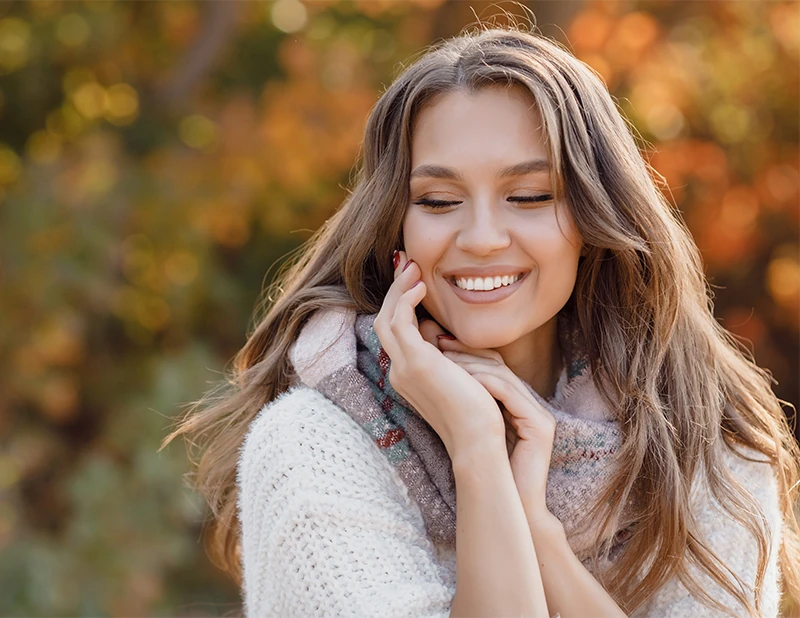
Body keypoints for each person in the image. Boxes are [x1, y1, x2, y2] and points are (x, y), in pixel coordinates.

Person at [163, 23, 800, 618]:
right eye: (439, 201)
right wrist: (476, 449)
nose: (483, 237)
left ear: (593, 219)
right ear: (397, 227)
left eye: (528, 196)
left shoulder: (708, 440)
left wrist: (537, 532)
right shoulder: (312, 445)